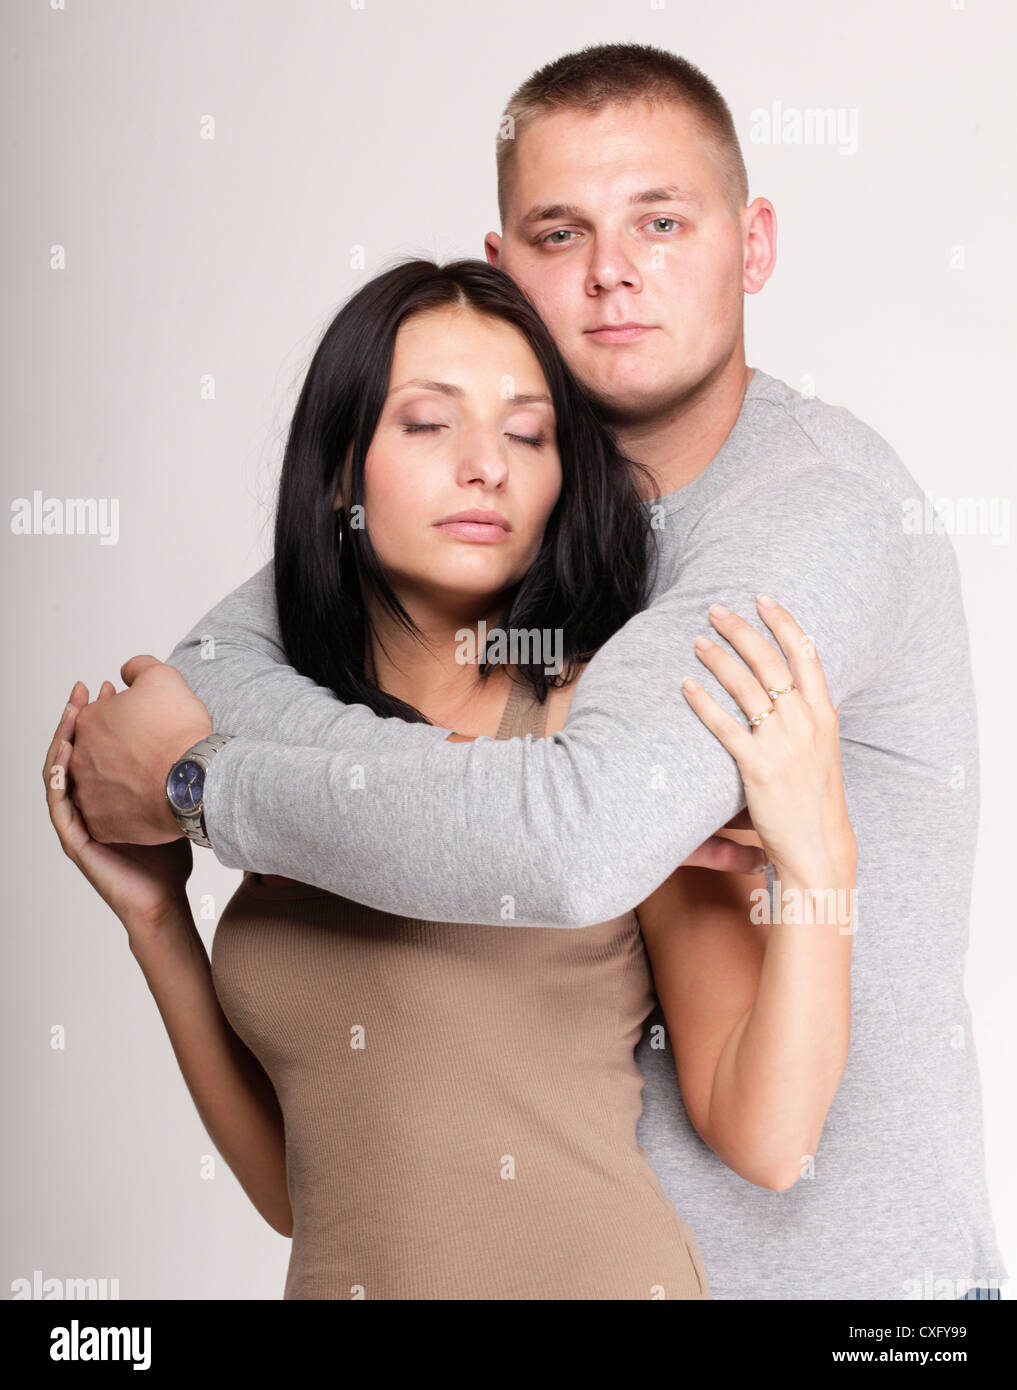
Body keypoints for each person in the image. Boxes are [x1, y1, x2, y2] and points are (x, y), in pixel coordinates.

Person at [63, 44, 1005, 1300]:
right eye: (561, 233)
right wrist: (178, 864)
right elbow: (211, 666)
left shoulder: (807, 516)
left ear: (755, 245)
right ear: (507, 272)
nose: (613, 272)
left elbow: (576, 835)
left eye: (661, 221)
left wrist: (203, 790)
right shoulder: (516, 533)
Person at [46, 258, 855, 1299]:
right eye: (429, 425)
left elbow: (770, 1134)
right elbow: (305, 1191)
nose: (487, 466)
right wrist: (157, 920)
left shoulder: (592, 737)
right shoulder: (289, 748)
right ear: (342, 469)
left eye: (528, 433)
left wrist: (822, 854)